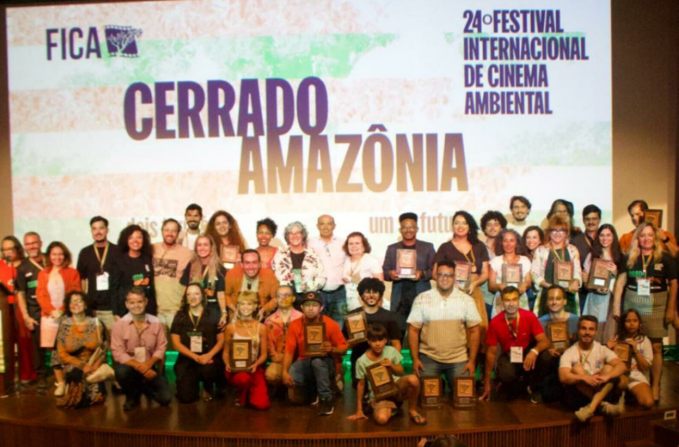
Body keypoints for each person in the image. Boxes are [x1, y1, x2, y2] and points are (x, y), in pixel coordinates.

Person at [612, 222, 678, 401]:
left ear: (655, 237)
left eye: (650, 235)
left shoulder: (664, 258)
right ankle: (630, 382)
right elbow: (620, 282)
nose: (646, 238)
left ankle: (655, 384)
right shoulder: (629, 257)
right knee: (629, 344)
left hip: (657, 303)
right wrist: (616, 306)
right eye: (642, 235)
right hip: (633, 303)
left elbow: (674, 284)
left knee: (656, 347)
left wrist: (671, 309)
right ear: (637, 238)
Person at [408, 261, 481, 391]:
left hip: (458, 358)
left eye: (449, 275)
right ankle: (439, 384)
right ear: (435, 276)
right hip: (429, 358)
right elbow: (413, 330)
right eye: (441, 274)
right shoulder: (422, 299)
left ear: (454, 277)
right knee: (428, 396)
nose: (445, 278)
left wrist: (471, 361)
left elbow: (475, 331)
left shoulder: (466, 300)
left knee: (464, 396)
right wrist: (415, 359)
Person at [480, 286, 552, 402]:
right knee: (507, 376)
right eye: (507, 300)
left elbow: (545, 341)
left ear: (519, 300)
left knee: (546, 356)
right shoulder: (495, 322)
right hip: (509, 356)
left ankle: (535, 387)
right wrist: (487, 381)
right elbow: (491, 353)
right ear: (502, 302)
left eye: (514, 299)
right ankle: (513, 385)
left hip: (528, 353)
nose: (511, 304)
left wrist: (534, 351)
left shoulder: (529, 316)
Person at [282, 291, 348, 416]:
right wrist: (284, 372)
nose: (311, 308)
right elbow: (289, 351)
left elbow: (344, 349)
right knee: (293, 377)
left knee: (317, 361)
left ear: (321, 308)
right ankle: (319, 387)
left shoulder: (330, 324)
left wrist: (332, 349)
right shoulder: (295, 325)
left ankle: (326, 399)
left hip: (327, 362)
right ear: (302, 307)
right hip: (306, 362)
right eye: (307, 305)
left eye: (314, 305)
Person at [347, 324, 426, 426]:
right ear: (368, 341)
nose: (377, 344)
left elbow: (401, 371)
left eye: (380, 340)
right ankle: (390, 406)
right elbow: (361, 385)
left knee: (413, 379)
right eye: (374, 341)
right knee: (382, 419)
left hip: (397, 388)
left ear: (385, 340)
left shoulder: (391, 351)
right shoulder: (361, 361)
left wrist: (391, 365)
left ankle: (412, 410)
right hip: (380, 396)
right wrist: (359, 410)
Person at [112, 287, 171, 411]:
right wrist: (140, 367)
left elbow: (161, 347)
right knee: (121, 372)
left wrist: (148, 365)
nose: (136, 306)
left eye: (139, 302)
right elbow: (118, 353)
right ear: (127, 304)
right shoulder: (119, 325)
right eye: (132, 302)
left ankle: (142, 387)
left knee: (165, 399)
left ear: (146, 302)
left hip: (150, 365)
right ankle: (132, 396)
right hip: (130, 367)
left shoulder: (156, 322)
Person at [558, 315, 628, 422]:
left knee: (610, 369)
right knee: (577, 369)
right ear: (578, 330)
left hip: (600, 389)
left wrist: (607, 376)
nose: (587, 332)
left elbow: (622, 366)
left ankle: (591, 408)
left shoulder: (602, 349)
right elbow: (563, 376)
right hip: (579, 396)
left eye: (591, 329)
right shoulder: (569, 352)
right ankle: (601, 406)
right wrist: (583, 378)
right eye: (584, 328)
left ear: (595, 331)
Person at [434, 211, 489, 341]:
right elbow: (435, 273)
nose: (460, 226)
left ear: (470, 226)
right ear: (452, 226)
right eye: (457, 223)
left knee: (477, 329)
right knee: (455, 330)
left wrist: (474, 284)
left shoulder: (479, 246)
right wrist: (451, 284)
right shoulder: (445, 247)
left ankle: (475, 354)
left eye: (464, 223)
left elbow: (485, 273)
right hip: (451, 294)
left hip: (473, 292)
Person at [36, 241, 81, 396]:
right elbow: (41, 295)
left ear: (65, 255)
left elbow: (74, 293)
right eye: (54, 254)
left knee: (71, 350)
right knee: (55, 352)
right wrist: (51, 311)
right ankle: (60, 383)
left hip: (67, 316)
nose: (57, 257)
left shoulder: (72, 272)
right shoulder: (43, 273)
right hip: (49, 319)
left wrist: (61, 310)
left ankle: (73, 381)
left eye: (60, 254)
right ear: (49, 256)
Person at [170, 283, 225, 403]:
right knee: (186, 398)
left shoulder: (214, 313)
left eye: (196, 293)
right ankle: (191, 385)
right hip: (188, 359)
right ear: (185, 297)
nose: (192, 297)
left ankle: (207, 387)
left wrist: (208, 355)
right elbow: (176, 344)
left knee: (210, 370)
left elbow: (221, 340)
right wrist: (195, 357)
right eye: (189, 294)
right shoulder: (179, 316)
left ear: (202, 296)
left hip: (208, 358)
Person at [344, 278, 401, 391]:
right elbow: (344, 343)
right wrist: (351, 343)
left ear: (380, 295)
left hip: (383, 362)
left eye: (375, 292)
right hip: (359, 362)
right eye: (367, 292)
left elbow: (396, 343)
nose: (371, 295)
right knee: (361, 392)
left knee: (386, 393)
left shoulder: (390, 316)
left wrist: (392, 361)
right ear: (361, 295)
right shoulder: (352, 316)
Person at [54, 291, 108, 408]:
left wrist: (95, 366)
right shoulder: (64, 325)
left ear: (86, 305)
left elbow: (103, 350)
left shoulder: (97, 323)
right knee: (76, 376)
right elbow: (61, 353)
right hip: (73, 363)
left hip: (93, 364)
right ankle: (64, 385)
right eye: (72, 302)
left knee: (97, 398)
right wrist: (82, 365)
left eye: (79, 301)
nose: (75, 304)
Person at [382, 212, 435, 330]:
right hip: (399, 300)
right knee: (398, 332)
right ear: (400, 230)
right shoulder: (392, 248)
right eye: (405, 227)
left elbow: (435, 271)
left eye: (411, 227)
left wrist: (422, 273)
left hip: (422, 297)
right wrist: (390, 274)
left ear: (417, 229)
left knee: (423, 333)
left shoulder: (427, 247)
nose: (408, 230)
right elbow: (385, 271)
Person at [15, 232, 49, 393]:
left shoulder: (52, 259)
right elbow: (21, 293)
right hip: (35, 313)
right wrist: (26, 316)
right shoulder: (22, 268)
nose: (31, 247)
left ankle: (64, 376)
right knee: (38, 349)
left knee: (60, 345)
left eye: (34, 243)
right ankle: (42, 377)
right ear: (24, 247)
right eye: (28, 244)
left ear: (40, 243)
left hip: (55, 311)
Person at [224, 291, 270, 410]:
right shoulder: (230, 327)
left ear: (255, 306)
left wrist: (256, 364)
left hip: (254, 367)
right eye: (242, 304)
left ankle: (249, 392)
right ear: (238, 306)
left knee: (262, 405)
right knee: (243, 379)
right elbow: (225, 352)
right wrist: (227, 363)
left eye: (249, 304)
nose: (245, 307)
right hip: (236, 369)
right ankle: (239, 392)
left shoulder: (261, 327)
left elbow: (264, 354)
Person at [77, 216, 123, 333]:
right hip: (92, 309)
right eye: (94, 229)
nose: (98, 232)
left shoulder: (118, 251)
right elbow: (81, 280)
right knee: (94, 342)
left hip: (113, 310)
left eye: (101, 228)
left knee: (115, 341)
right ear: (91, 231)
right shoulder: (85, 252)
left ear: (107, 230)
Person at [1, 236, 35, 385]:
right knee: (5, 343)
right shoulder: (1, 266)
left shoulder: (25, 265)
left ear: (17, 249)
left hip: (21, 308)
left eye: (10, 248)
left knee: (24, 342)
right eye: (4, 249)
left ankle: (27, 374)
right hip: (3, 310)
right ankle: (6, 377)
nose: (8, 252)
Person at [531, 215, 582, 317]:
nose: (557, 233)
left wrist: (576, 281)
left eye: (561, 230)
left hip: (568, 296)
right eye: (554, 230)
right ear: (549, 233)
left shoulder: (573, 250)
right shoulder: (541, 250)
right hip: (547, 295)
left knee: (569, 325)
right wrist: (550, 286)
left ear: (566, 233)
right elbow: (534, 273)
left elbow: (577, 271)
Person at [581, 224, 624, 342]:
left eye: (608, 235)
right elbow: (585, 277)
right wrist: (586, 279)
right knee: (594, 329)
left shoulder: (620, 256)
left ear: (614, 237)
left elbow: (623, 281)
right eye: (602, 235)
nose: (605, 238)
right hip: (595, 298)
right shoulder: (592, 255)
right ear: (598, 237)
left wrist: (615, 271)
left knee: (609, 331)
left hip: (611, 298)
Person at [153, 218, 194, 335]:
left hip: (176, 310)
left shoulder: (188, 253)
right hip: (154, 310)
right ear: (161, 231)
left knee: (178, 344)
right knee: (155, 345)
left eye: (173, 231)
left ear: (178, 233)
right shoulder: (152, 249)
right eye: (167, 230)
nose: (170, 234)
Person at [606, 309, 653, 409]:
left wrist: (635, 350)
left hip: (635, 374)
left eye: (635, 321)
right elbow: (606, 361)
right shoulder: (616, 338)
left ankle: (630, 394)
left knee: (648, 402)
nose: (631, 324)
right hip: (620, 374)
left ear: (639, 323)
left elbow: (646, 367)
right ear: (623, 323)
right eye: (628, 321)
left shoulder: (644, 340)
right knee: (620, 381)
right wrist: (607, 348)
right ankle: (616, 396)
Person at [308, 215, 348, 328]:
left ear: (334, 226)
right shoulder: (309, 243)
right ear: (317, 226)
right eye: (322, 224)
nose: (325, 227)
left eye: (329, 224)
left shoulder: (343, 243)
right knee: (318, 327)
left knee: (339, 326)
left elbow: (350, 263)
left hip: (339, 292)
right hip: (318, 293)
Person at [272, 222, 326, 304]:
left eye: (297, 233)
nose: (294, 236)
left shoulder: (313, 254)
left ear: (303, 235)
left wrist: (307, 286)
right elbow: (274, 278)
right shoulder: (280, 255)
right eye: (291, 233)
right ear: (287, 236)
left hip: (308, 299)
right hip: (286, 299)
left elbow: (322, 278)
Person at [264, 285, 303, 386]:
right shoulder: (269, 320)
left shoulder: (302, 318)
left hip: (298, 358)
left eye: (286, 295)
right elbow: (268, 342)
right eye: (279, 296)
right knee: (271, 375)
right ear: (276, 299)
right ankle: (280, 388)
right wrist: (274, 356)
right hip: (279, 358)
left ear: (293, 298)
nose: (283, 298)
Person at [488, 229, 532, 317]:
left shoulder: (525, 260)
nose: (508, 244)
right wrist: (500, 286)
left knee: (521, 323)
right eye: (505, 241)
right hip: (502, 300)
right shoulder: (496, 261)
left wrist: (524, 285)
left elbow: (529, 281)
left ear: (516, 243)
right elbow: (491, 285)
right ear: (501, 243)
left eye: (511, 240)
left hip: (520, 299)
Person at [225, 249, 279, 320]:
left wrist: (264, 309)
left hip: (260, 318)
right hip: (236, 317)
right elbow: (225, 294)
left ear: (259, 264)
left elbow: (277, 297)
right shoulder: (232, 273)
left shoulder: (268, 275)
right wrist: (234, 309)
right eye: (247, 263)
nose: (251, 267)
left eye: (254, 262)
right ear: (241, 264)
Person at [117, 225, 157, 315]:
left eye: (139, 237)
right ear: (126, 240)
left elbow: (151, 287)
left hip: (147, 310)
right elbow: (114, 289)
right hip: (125, 310)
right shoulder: (119, 261)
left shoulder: (148, 259)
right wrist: (116, 313)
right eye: (131, 238)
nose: (135, 241)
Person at [188, 235, 227, 324]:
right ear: (196, 248)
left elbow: (221, 293)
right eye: (199, 245)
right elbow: (184, 291)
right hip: (194, 311)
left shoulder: (219, 268)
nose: (202, 248)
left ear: (211, 248)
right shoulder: (191, 266)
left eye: (205, 245)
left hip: (213, 313)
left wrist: (224, 313)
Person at [342, 232, 383, 312]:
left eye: (357, 243)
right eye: (351, 243)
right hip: (350, 303)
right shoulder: (347, 261)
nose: (354, 246)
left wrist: (378, 309)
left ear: (364, 245)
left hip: (367, 305)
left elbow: (380, 287)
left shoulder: (371, 260)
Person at [571, 205, 602, 272]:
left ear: (599, 220)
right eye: (587, 219)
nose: (591, 222)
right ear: (583, 220)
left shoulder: (605, 240)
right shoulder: (575, 242)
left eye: (594, 219)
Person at [523, 225, 545, 311]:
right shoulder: (521, 256)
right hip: (527, 294)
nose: (531, 241)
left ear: (540, 240)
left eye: (534, 237)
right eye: (528, 237)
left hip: (542, 291)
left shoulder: (546, 255)